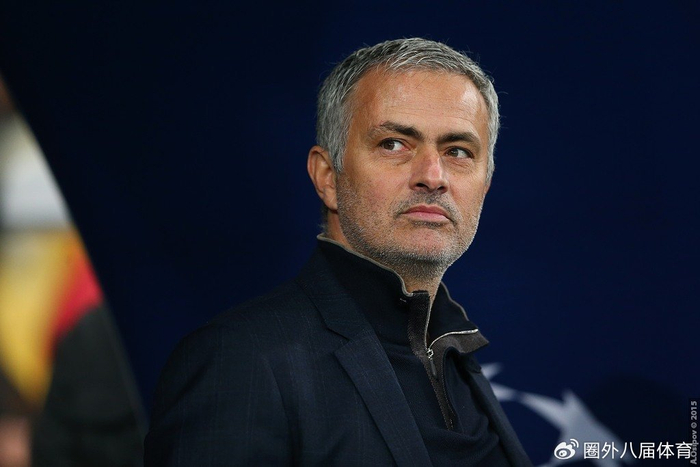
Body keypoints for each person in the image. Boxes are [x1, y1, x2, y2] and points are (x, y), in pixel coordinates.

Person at [145, 38, 532, 466]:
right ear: (328, 177)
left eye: (457, 151)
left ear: (485, 186)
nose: (432, 176)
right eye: (394, 144)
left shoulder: (452, 350)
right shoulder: (240, 360)